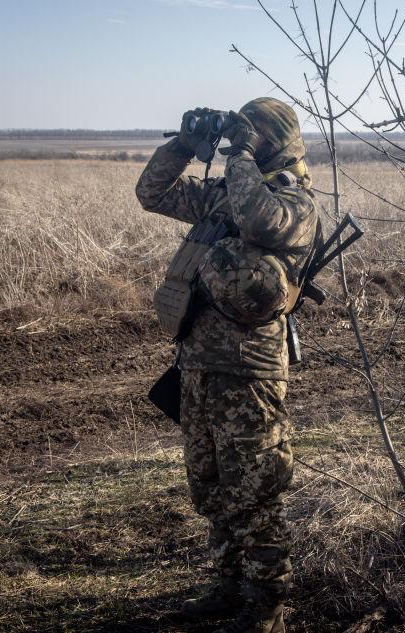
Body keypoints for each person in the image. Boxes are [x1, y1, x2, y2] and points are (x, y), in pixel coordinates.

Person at [136, 97, 318, 633]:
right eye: (243, 137)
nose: (245, 145)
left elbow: (258, 219)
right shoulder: (222, 197)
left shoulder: (294, 202)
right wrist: (186, 146)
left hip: (250, 370)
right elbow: (153, 194)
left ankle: (267, 608)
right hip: (197, 361)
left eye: (254, 136)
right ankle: (226, 583)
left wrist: (237, 154)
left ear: (275, 142)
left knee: (254, 488)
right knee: (211, 483)